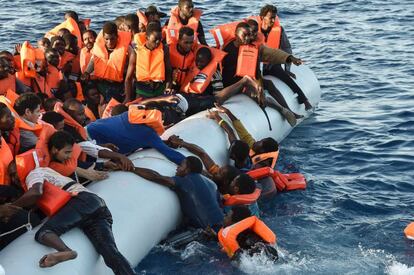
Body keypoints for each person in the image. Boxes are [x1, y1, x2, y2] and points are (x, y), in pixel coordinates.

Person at [11, 131, 136, 274]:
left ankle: (67, 251)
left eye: (14, 173)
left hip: (79, 202)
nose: (14, 178)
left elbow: (36, 192)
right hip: (97, 205)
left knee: (45, 233)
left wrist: (11, 207)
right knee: (111, 254)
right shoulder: (49, 170)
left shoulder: (34, 173)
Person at [132, 156, 224, 231]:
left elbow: (157, 177)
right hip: (224, 223)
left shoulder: (185, 181)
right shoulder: (211, 183)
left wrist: (133, 168)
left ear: (187, 170)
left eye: (181, 165)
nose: (177, 168)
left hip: (210, 231)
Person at [86, 96, 185, 164]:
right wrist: (192, 165)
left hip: (86, 132)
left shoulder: (128, 114)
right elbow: (171, 154)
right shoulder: (149, 134)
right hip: (91, 146)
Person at [255, 5, 312, 110]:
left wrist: (287, 69)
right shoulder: (254, 31)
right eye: (270, 17)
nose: (273, 20)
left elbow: (287, 49)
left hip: (271, 65)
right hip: (257, 66)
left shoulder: (279, 31)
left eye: (274, 17)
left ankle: (304, 101)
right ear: (262, 17)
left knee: (287, 78)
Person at [82, 22, 132, 102]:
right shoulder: (99, 46)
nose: (109, 42)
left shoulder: (127, 49)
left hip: (118, 85)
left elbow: (130, 73)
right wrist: (87, 72)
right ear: (103, 38)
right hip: (101, 83)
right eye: (106, 39)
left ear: (117, 37)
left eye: (112, 39)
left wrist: (128, 93)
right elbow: (94, 60)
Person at [125, 22, 172, 101]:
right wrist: (128, 97)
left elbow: (168, 71)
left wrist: (168, 87)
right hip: (142, 91)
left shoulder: (164, 49)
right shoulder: (136, 52)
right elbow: (128, 78)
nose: (158, 42)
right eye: (155, 40)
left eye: (160, 39)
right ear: (147, 38)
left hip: (159, 89)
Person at [169, 27, 196, 91]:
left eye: (191, 42)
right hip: (169, 84)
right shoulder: (168, 50)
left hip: (183, 87)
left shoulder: (193, 54)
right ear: (179, 40)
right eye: (186, 42)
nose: (189, 45)